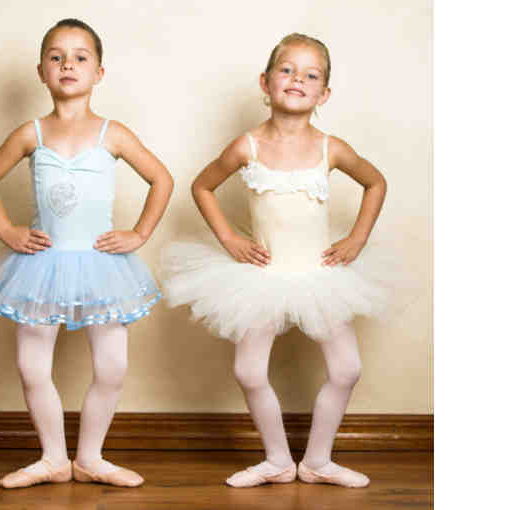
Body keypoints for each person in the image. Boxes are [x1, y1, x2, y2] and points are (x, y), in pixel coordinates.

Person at [161, 33, 392, 488]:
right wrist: (229, 238)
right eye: (286, 70)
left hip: (319, 274)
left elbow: (376, 182)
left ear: (324, 93)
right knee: (248, 371)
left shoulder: (331, 147)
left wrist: (357, 238)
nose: (297, 80)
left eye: (311, 75)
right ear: (265, 82)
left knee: (346, 368)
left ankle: (318, 461)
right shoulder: (246, 146)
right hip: (262, 275)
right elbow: (201, 186)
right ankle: (278, 460)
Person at [0, 18, 173, 489]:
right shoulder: (32, 133)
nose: (68, 64)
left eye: (80, 57)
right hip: (41, 263)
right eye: (56, 57)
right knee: (32, 364)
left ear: (98, 72)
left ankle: (90, 457)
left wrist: (140, 233)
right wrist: (6, 228)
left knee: (112, 365)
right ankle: (52, 458)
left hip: (102, 263)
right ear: (41, 71)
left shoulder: (112, 133)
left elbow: (161, 179)